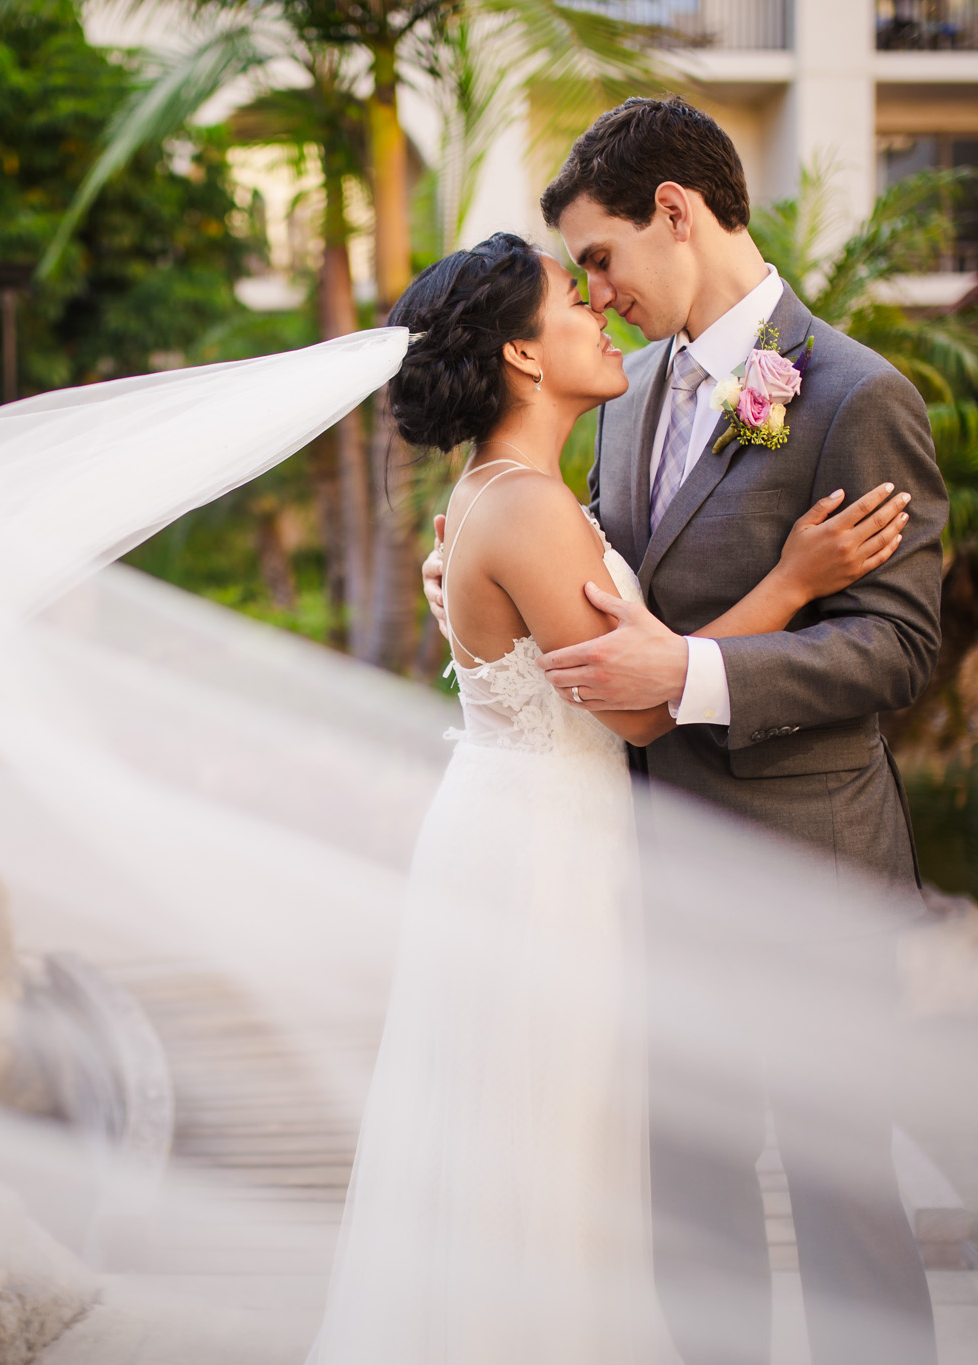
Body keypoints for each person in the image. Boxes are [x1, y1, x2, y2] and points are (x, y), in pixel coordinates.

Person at [309, 230, 912, 1365]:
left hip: (539, 827)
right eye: (567, 298)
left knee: (540, 1140)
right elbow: (638, 707)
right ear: (523, 359)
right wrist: (791, 581)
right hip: (541, 852)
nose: (597, 309)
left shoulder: (515, 493)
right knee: (544, 1143)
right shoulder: (524, 506)